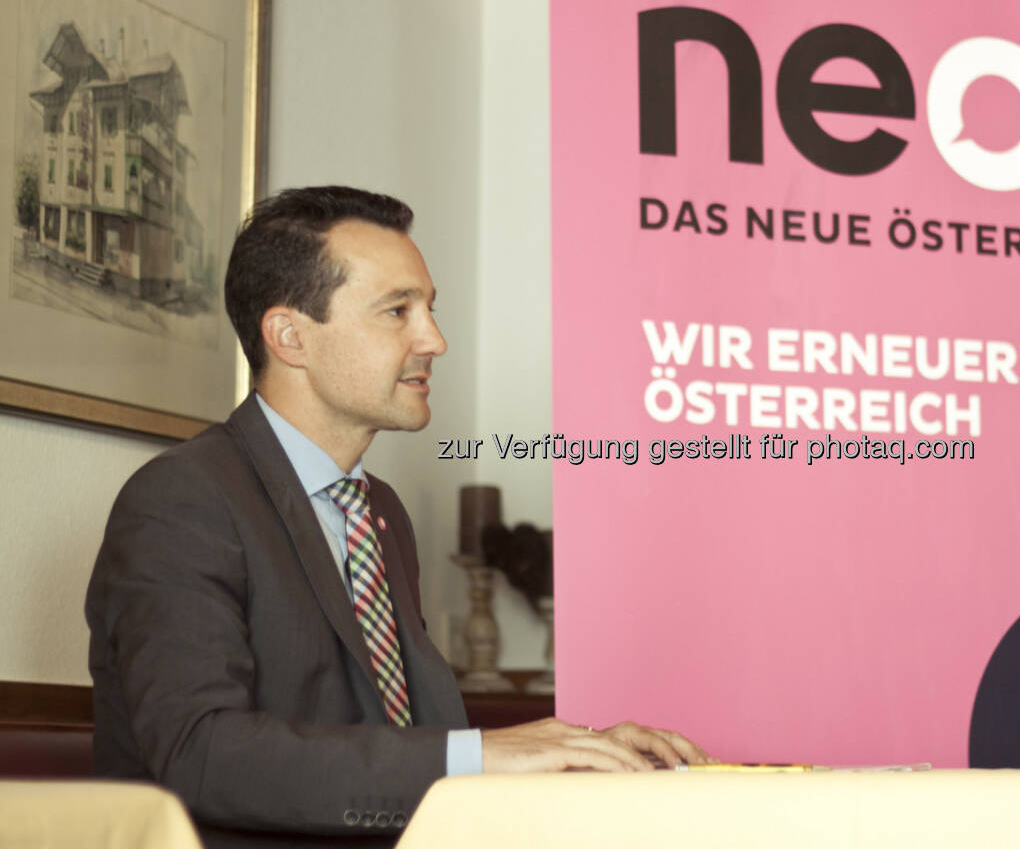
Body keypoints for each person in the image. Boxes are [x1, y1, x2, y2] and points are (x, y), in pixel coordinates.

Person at [85, 187, 707, 848]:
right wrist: (484, 755)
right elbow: (201, 754)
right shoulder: (182, 501)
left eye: (430, 309)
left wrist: (575, 751)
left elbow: (405, 744)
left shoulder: (378, 511)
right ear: (290, 336)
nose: (434, 340)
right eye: (397, 311)